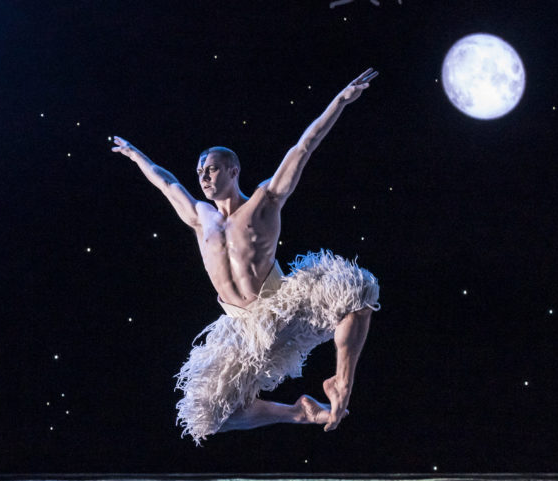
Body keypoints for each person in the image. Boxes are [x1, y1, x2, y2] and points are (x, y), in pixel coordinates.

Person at [111, 68, 381, 444]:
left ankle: (341, 382)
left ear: (233, 170)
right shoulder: (199, 217)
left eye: (212, 169)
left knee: (360, 290)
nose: (203, 176)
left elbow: (303, 147)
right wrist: (136, 156)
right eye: (200, 171)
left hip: (282, 305)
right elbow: (167, 182)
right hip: (241, 328)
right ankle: (299, 413)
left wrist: (340, 101)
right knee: (207, 418)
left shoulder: (263, 201)